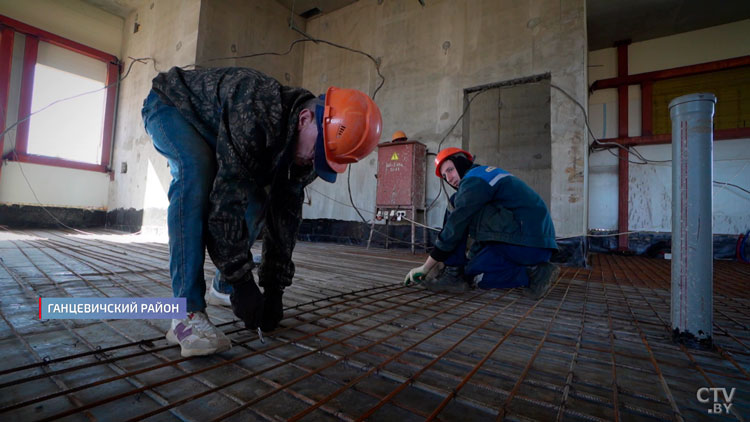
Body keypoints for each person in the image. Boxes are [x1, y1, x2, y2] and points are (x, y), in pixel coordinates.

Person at [142, 66, 382, 357]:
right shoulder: (255, 108)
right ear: (304, 119)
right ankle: (185, 314)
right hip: (172, 105)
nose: (313, 162)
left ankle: (222, 286)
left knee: (259, 197)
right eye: (317, 153)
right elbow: (225, 206)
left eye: (325, 160)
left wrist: (274, 288)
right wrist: (243, 281)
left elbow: (284, 216)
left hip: (219, 128)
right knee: (195, 172)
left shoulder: (311, 150)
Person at [404, 148, 559, 298]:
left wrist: (427, 266)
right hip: (532, 245)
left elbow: (456, 224)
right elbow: (489, 227)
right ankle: (536, 271)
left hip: (526, 242)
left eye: (450, 170)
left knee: (456, 206)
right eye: (445, 176)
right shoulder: (483, 176)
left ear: (461, 163)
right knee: (472, 272)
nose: (449, 178)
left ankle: (453, 274)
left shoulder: (474, 180)